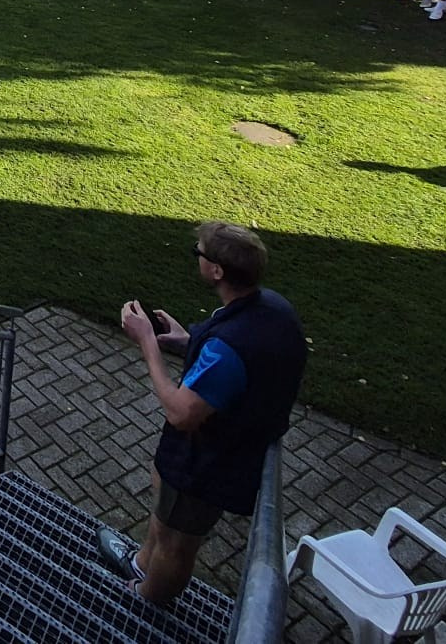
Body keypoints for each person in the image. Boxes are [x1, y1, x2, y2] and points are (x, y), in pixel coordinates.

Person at [100, 222, 306, 608]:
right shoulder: (272, 309)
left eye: (199, 252)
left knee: (177, 542)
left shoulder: (229, 349)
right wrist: (185, 340)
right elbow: (244, 359)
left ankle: (147, 600)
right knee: (165, 520)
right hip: (224, 450)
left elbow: (180, 413)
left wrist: (147, 342)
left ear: (216, 271)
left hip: (205, 463)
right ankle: (142, 563)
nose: (196, 255)